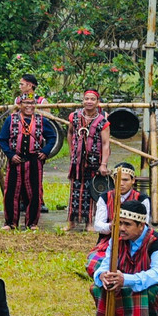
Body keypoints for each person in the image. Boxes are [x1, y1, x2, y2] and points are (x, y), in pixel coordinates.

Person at [88, 199, 158, 316]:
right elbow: (106, 263)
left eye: (127, 224)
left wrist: (127, 280)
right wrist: (102, 275)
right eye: (120, 223)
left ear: (141, 225)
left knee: (151, 291)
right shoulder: (116, 239)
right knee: (97, 288)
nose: (121, 228)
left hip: (152, 293)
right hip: (122, 286)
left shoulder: (156, 242)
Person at [0, 95, 57, 230]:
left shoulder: (42, 120)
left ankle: (32, 223)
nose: (29, 106)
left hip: (34, 161)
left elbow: (52, 137)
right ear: (20, 104)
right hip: (15, 161)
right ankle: (10, 223)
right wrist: (11, 155)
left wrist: (45, 151)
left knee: (34, 192)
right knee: (12, 192)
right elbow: (2, 139)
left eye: (31, 103)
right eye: (26, 103)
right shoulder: (11, 120)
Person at [67, 89, 111, 231]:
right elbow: (69, 133)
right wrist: (71, 152)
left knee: (91, 191)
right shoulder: (74, 117)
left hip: (94, 161)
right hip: (77, 161)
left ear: (97, 102)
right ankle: (71, 222)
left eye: (92, 99)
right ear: (83, 100)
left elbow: (105, 144)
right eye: (86, 99)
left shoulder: (102, 121)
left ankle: (89, 223)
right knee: (74, 190)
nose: (89, 102)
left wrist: (103, 164)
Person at [93, 162, 150, 240]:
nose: (121, 183)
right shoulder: (105, 197)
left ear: (133, 180)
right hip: (109, 240)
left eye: (125, 180)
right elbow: (98, 225)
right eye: (118, 179)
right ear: (113, 180)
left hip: (134, 241)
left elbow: (144, 226)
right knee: (94, 253)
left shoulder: (142, 199)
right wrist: (111, 226)